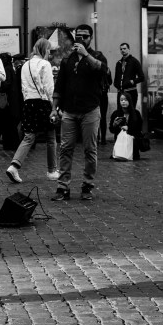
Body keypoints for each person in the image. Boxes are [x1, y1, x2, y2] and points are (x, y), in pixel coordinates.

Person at [50, 24, 108, 202]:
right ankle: (63, 187)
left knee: (90, 150)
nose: (81, 39)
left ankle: (87, 186)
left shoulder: (97, 56)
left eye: (85, 36)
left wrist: (86, 55)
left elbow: (103, 71)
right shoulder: (67, 59)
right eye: (78, 36)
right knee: (65, 148)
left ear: (91, 38)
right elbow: (59, 86)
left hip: (90, 110)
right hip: (69, 111)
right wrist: (54, 108)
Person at [9, 38, 55, 183]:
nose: (49, 52)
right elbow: (49, 88)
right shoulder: (45, 64)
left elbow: (23, 87)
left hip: (28, 103)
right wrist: (54, 105)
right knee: (51, 137)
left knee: (28, 136)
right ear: (43, 49)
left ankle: (14, 166)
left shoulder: (25, 64)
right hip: (43, 102)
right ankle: (52, 170)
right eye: (48, 49)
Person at [108, 93, 143, 160]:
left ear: (129, 101)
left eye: (125, 100)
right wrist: (114, 125)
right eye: (121, 100)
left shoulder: (136, 113)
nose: (123, 102)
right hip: (120, 141)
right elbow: (112, 130)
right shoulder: (116, 113)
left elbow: (139, 129)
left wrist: (128, 128)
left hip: (132, 140)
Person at [113, 42, 145, 109]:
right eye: (121, 49)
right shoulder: (118, 63)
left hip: (131, 92)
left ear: (128, 49)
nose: (122, 50)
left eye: (124, 48)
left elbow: (142, 77)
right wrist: (116, 84)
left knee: (131, 113)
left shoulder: (134, 61)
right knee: (120, 113)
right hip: (120, 93)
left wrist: (132, 82)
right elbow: (116, 77)